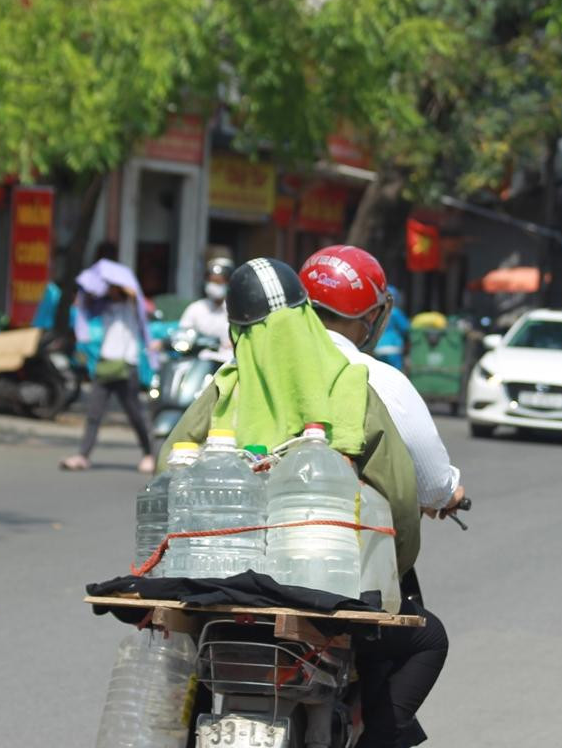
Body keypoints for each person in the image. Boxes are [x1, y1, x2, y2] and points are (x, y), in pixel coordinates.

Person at [160, 258, 446, 748]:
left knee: (186, 663)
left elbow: (170, 470)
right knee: (426, 639)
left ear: (235, 328)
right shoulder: (350, 384)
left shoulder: (226, 384)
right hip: (321, 591)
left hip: (216, 584)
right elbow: (400, 500)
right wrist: (393, 568)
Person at [300, 245, 465, 516]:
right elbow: (434, 483)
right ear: (372, 314)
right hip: (344, 541)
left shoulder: (246, 366)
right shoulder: (382, 381)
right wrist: (449, 493)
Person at [60, 256, 156, 473]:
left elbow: (139, 301)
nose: (110, 290)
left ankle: (150, 453)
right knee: (93, 413)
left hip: (127, 365)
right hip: (106, 363)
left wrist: (125, 285)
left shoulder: (132, 306)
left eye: (113, 287)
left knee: (135, 415)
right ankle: (82, 455)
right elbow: (85, 302)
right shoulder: (103, 305)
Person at [177, 257, 234, 361]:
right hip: (198, 362)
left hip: (226, 362)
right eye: (212, 281)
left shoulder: (235, 311)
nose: (214, 286)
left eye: (218, 282)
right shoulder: (195, 309)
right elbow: (182, 333)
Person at [373, 284, 410, 371]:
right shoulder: (396, 312)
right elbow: (406, 328)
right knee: (395, 374)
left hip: (378, 348)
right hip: (394, 348)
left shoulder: (377, 312)